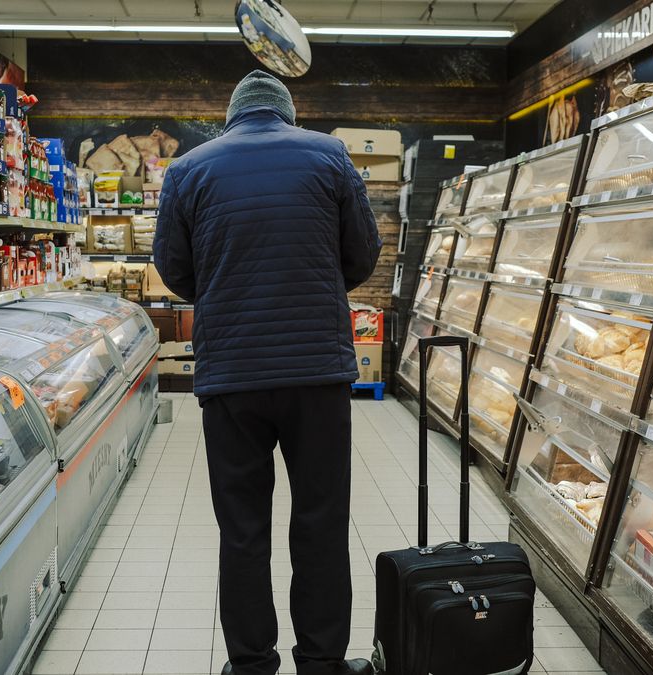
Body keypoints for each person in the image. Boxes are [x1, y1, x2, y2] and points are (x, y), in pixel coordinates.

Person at [154, 70, 382, 675]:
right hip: (316, 374)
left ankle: (251, 664)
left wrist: (227, 287)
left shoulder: (188, 170)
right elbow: (362, 254)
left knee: (243, 527)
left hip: (231, 375)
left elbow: (175, 271)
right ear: (286, 113)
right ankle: (322, 661)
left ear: (231, 116)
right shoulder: (330, 156)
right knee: (322, 522)